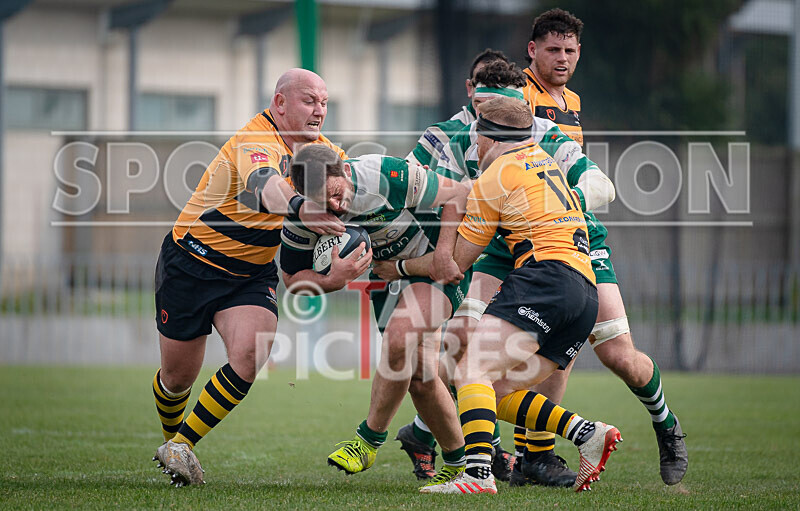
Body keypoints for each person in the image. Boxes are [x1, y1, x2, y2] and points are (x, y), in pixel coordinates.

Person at [380, 97, 621, 494]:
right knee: (495, 388)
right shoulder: (544, 162)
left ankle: (476, 475)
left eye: (476, 138)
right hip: (584, 292)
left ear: (488, 137)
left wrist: (400, 266)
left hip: (544, 278)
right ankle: (587, 433)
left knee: (469, 370)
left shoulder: (494, 178)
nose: (474, 147)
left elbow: (454, 265)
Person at [150, 69, 349, 487]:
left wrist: (344, 222)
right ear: (280, 104)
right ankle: (172, 439)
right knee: (176, 379)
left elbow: (346, 192)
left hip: (251, 273)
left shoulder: (325, 152)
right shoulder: (254, 141)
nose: (319, 111)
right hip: (191, 262)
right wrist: (303, 206)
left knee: (249, 354)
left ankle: (181, 445)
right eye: (309, 101)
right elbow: (267, 186)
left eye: (324, 103)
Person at [278, 144, 475, 491]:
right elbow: (292, 280)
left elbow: (458, 193)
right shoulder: (305, 217)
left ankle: (368, 441)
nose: (336, 207)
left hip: (434, 262)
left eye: (337, 194)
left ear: (344, 170)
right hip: (387, 275)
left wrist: (444, 253)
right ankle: (461, 466)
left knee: (399, 339)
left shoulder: (383, 174)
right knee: (419, 375)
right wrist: (331, 280)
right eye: (324, 203)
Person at [397, 56, 519, 483]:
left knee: (472, 357)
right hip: (449, 256)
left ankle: (424, 435)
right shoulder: (442, 135)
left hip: (496, 258)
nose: (486, 106)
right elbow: (418, 188)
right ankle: (480, 449)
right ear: (470, 90)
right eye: (481, 96)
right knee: (442, 358)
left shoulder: (519, 131)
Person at [406, 49, 510, 170]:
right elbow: (406, 176)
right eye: (481, 82)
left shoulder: (528, 130)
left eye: (496, 84)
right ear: (470, 87)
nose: (488, 90)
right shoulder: (442, 134)